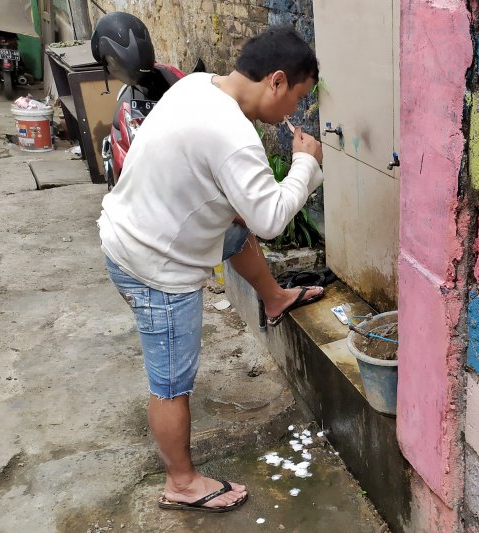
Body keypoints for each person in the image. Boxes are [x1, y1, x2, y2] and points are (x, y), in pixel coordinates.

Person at [98, 26, 324, 513]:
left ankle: (273, 297)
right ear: (277, 82)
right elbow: (271, 220)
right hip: (152, 266)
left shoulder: (198, 86)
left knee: (232, 228)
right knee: (171, 383)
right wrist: (305, 164)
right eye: (297, 99)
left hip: (134, 225)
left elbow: (240, 211)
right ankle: (181, 482)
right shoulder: (235, 138)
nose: (294, 114)